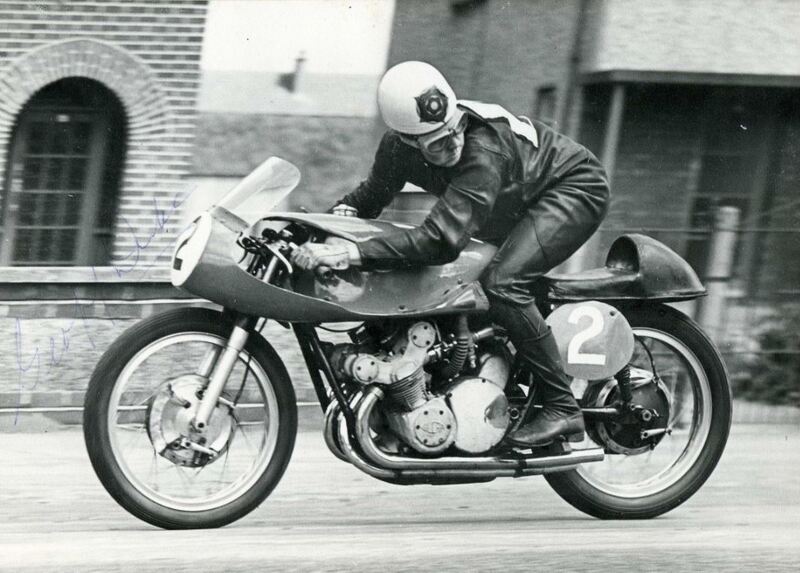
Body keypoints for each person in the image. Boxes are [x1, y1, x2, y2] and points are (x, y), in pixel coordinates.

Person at [291, 61, 610, 447]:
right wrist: (324, 229)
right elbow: (370, 197)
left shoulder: (481, 149)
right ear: (409, 141)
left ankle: (563, 407)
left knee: (504, 284)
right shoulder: (397, 148)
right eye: (437, 143)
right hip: (509, 202)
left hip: (569, 189)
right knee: (459, 287)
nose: (453, 143)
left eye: (455, 129)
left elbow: (440, 242)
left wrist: (350, 255)